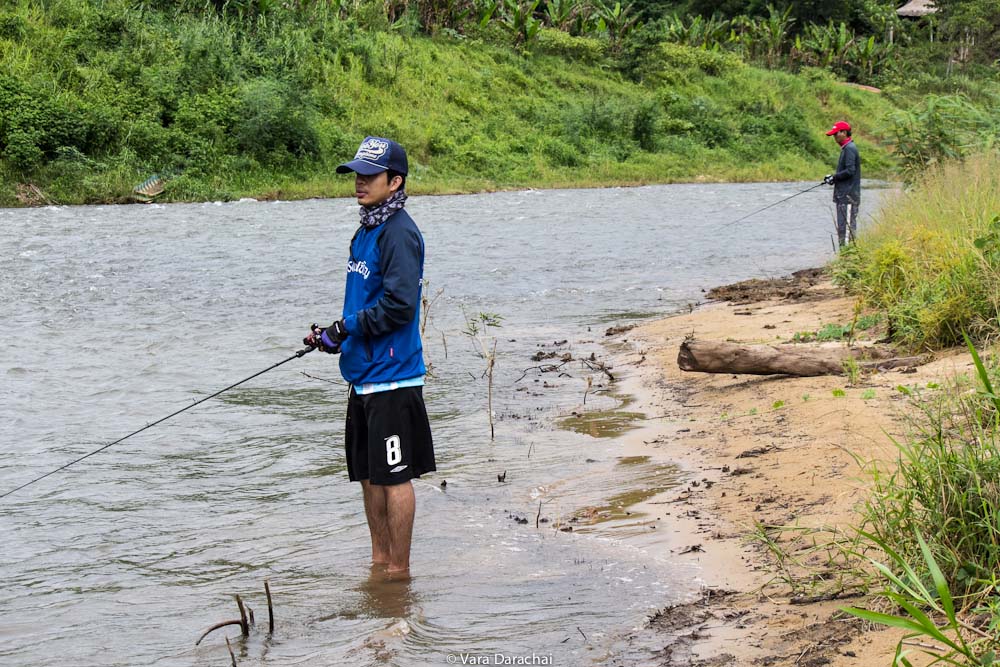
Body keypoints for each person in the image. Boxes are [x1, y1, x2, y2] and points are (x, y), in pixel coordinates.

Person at [304, 136, 435, 577]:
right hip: (362, 373)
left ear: (395, 181)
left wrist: (349, 327)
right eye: (356, 175)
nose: (359, 183)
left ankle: (399, 572)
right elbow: (364, 302)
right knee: (367, 474)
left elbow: (399, 305)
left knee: (394, 477)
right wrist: (333, 335)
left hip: (393, 378)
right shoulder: (366, 230)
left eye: (369, 175)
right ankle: (379, 564)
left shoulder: (400, 234)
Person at [823, 121, 861, 248]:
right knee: (842, 229)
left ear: (844, 133)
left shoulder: (850, 148)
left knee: (846, 231)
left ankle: (848, 259)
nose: (834, 137)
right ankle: (845, 258)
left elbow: (850, 171)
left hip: (848, 197)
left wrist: (834, 177)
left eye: (836, 134)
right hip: (843, 196)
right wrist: (834, 179)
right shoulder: (846, 148)